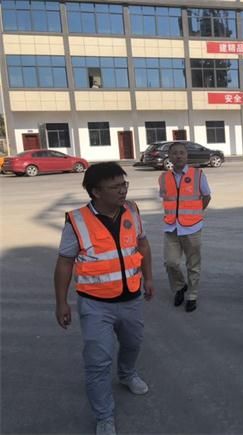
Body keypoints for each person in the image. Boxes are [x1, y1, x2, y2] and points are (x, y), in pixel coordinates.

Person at [54, 162, 154, 435]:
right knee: (98, 360)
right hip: (95, 303)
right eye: (115, 187)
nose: (122, 191)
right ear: (96, 192)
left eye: (124, 185)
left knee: (133, 344)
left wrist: (148, 278)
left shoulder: (132, 210)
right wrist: (61, 302)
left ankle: (127, 374)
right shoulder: (76, 221)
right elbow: (65, 262)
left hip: (131, 298)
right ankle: (104, 416)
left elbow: (143, 244)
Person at [159, 142, 211, 312]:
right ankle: (180, 286)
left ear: (187, 155)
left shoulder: (198, 174)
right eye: (174, 153)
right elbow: (166, 200)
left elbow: (206, 196)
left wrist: (195, 214)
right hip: (171, 227)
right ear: (169, 156)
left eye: (182, 153)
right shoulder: (163, 177)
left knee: (193, 264)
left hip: (192, 227)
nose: (178, 156)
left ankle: (192, 295)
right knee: (171, 262)